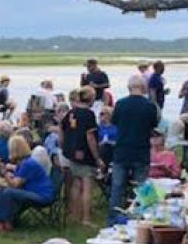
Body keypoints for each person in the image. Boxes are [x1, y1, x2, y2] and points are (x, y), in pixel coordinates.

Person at [0, 135, 54, 233]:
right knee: (4, 191)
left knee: (8, 193)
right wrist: (0, 180)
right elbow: (15, 182)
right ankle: (2, 221)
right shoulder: (23, 163)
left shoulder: (28, 164)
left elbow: (15, 185)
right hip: (33, 192)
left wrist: (4, 173)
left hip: (42, 196)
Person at [108, 76, 159, 223]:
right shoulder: (150, 106)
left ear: (129, 87)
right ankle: (142, 218)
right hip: (141, 151)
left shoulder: (120, 104)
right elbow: (153, 125)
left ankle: (113, 219)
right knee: (142, 188)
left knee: (117, 188)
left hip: (122, 150)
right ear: (143, 88)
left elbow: (115, 122)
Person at [60, 86, 101, 226]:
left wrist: (63, 145)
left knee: (76, 184)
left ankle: (74, 213)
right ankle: (86, 219)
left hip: (71, 152)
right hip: (84, 153)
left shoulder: (72, 112)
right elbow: (90, 137)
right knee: (87, 186)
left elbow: (62, 127)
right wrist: (97, 157)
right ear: (91, 99)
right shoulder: (88, 114)